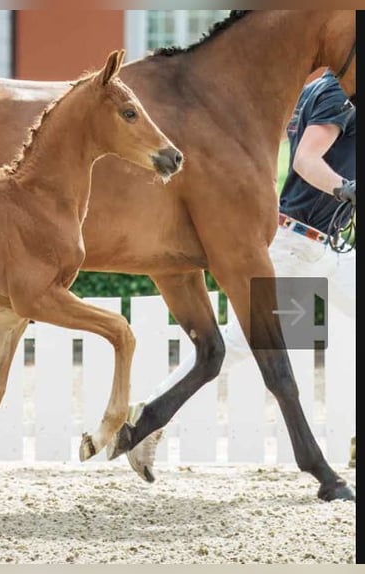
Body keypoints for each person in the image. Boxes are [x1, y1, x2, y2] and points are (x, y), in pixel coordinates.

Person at [125, 68, 356, 478]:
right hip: (298, 250)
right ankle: (146, 421)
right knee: (237, 344)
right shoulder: (338, 94)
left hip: (329, 249)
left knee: (242, 343)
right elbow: (305, 159)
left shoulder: (329, 90)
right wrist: (345, 188)